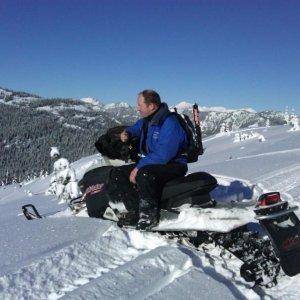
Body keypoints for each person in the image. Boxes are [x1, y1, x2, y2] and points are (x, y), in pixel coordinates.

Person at [112, 90, 189, 230]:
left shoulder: (169, 123)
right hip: (154, 162)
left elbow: (164, 154)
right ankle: (135, 212)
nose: (137, 108)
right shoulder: (148, 120)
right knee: (118, 173)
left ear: (152, 106)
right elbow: (136, 128)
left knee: (144, 174)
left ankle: (148, 217)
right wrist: (128, 133)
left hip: (174, 164)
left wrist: (138, 167)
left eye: (140, 105)